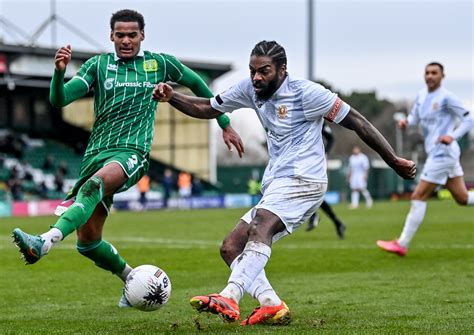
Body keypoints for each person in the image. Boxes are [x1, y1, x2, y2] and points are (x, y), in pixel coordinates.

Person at [153, 40, 416, 325]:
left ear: (282, 70)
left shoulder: (307, 93)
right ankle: (271, 303)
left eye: (264, 71)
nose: (256, 77)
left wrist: (393, 160)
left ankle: (230, 294)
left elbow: (357, 121)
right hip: (278, 181)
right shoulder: (250, 89)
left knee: (261, 224)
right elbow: (208, 108)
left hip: (306, 179)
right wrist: (173, 97)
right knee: (231, 247)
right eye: (253, 70)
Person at [11, 9, 244, 307]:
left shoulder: (159, 64)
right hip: (95, 154)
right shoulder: (99, 66)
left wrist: (225, 124)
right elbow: (59, 99)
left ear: (142, 36)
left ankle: (44, 242)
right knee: (88, 243)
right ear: (111, 36)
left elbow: (199, 84)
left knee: (94, 185)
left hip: (132, 153)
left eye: (132, 35)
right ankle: (132, 280)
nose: (126, 40)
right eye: (120, 35)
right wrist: (58, 73)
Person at [377, 62, 474, 257]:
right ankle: (401, 243)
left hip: (442, 153)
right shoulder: (422, 96)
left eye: (434, 73)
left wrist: (452, 136)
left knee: (418, 195)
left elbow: (469, 118)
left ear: (442, 76)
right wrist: (407, 122)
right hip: (439, 154)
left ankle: (402, 243)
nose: (430, 76)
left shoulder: (446, 98)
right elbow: (415, 117)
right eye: (427, 73)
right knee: (462, 198)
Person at [306, 122, 346, 239]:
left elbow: (331, 138)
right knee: (313, 194)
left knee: (311, 191)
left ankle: (314, 216)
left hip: (315, 163)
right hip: (302, 161)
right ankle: (337, 223)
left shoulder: (318, 120)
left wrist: (324, 153)